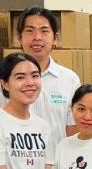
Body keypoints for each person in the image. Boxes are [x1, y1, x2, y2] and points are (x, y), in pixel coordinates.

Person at [0, 8, 81, 148]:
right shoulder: (4, 77)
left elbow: (73, 130)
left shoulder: (69, 79)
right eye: (30, 31)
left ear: (55, 38)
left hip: (56, 165)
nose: (37, 37)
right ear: (19, 37)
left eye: (44, 31)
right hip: (12, 166)